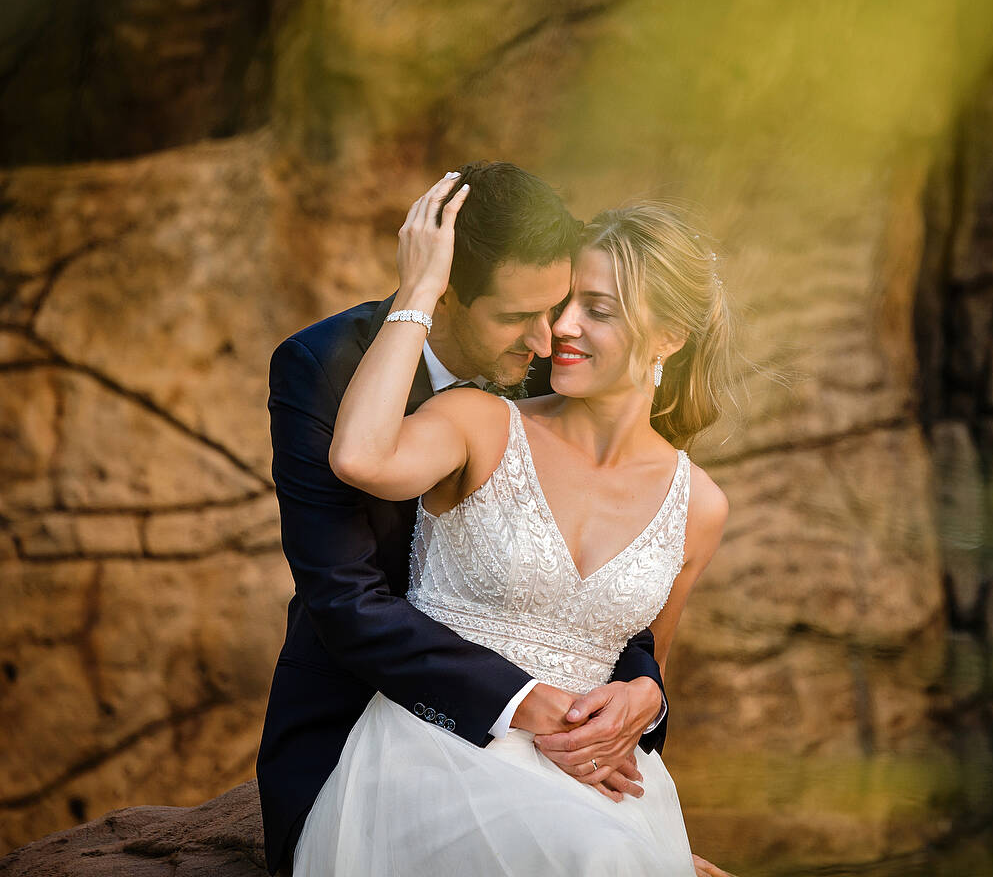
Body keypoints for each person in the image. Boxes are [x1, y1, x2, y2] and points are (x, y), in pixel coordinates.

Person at [291, 175, 734, 875]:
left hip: (579, 775)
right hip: (438, 744)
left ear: (669, 337)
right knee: (600, 860)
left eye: (597, 309)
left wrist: (646, 702)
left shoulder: (699, 506)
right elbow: (360, 462)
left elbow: (643, 652)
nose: (557, 329)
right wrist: (418, 292)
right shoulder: (480, 416)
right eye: (564, 304)